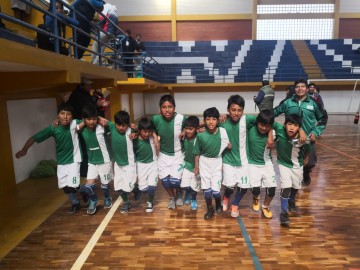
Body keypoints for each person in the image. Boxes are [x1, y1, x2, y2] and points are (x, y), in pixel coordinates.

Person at [15, 103, 82, 214]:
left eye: (68, 114)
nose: (65, 117)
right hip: (61, 162)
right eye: (62, 114)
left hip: (74, 160)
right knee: (65, 187)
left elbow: (89, 119)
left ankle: (86, 190)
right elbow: (34, 138)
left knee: (73, 188)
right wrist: (24, 150)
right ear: (57, 116)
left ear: (72, 116)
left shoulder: (75, 123)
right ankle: (75, 203)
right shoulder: (53, 128)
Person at [274, 79, 328, 186]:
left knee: (310, 162)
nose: (300, 89)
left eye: (302, 86)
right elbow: (274, 112)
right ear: (294, 89)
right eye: (297, 87)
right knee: (292, 162)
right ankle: (292, 184)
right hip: (291, 139)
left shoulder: (314, 103)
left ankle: (306, 172)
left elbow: (323, 118)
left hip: (308, 138)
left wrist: (315, 132)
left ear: (307, 89)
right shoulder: (287, 102)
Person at [220, 95, 255, 218]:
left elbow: (266, 120)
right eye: (233, 110)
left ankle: (235, 205)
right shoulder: (222, 122)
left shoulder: (247, 120)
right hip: (228, 161)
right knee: (229, 186)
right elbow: (206, 126)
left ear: (243, 111)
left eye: (239, 110)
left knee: (243, 187)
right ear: (228, 110)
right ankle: (226, 198)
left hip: (244, 161)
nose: (236, 113)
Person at [273, 114, 311, 225]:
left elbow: (309, 148)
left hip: (297, 165)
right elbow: (269, 120)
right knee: (286, 186)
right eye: (289, 124)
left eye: (295, 125)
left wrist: (306, 159)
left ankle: (292, 200)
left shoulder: (303, 138)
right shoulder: (280, 129)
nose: (291, 128)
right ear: (284, 125)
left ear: (299, 127)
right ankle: (283, 212)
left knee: (295, 186)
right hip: (283, 164)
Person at [67, 78, 109, 177]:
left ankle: (92, 171)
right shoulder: (78, 95)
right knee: (84, 149)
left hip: (87, 124)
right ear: (82, 85)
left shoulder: (85, 94)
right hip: (84, 126)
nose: (90, 87)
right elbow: (85, 109)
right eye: (88, 85)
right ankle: (86, 172)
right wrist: (98, 105)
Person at [151, 95, 186, 210]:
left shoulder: (181, 118)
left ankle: (179, 193)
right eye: (164, 107)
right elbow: (147, 128)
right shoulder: (155, 119)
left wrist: (185, 130)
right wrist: (154, 135)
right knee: (165, 181)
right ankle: (172, 197)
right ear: (160, 108)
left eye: (170, 107)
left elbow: (193, 126)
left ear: (174, 108)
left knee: (175, 182)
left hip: (178, 154)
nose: (167, 110)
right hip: (162, 154)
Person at [193, 107, 230, 220]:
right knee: (207, 192)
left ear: (217, 120)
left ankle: (218, 203)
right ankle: (210, 209)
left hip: (217, 162)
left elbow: (226, 143)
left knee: (216, 192)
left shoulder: (222, 131)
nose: (211, 122)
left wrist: (228, 145)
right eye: (208, 119)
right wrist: (196, 166)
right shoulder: (200, 135)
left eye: (214, 119)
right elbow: (196, 152)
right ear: (204, 121)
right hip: (204, 163)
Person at [78, 105, 113, 215]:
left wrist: (101, 118)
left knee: (104, 186)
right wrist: (84, 121)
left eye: (94, 119)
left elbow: (113, 125)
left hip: (105, 161)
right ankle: (93, 200)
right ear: (84, 119)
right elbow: (75, 127)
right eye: (88, 119)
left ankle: (107, 197)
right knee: (88, 186)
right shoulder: (82, 129)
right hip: (92, 162)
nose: (92, 122)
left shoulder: (102, 127)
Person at [101, 110, 136, 213]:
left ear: (127, 124)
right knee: (118, 188)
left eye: (124, 125)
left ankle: (135, 188)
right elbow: (96, 117)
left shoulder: (131, 131)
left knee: (127, 189)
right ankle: (126, 202)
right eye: (118, 125)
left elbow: (139, 130)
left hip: (129, 164)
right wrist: (101, 118)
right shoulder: (112, 127)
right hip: (118, 164)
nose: (121, 128)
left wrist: (136, 131)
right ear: (115, 123)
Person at [247, 109, 277, 219]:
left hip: (267, 163)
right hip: (252, 164)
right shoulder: (250, 128)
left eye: (267, 126)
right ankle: (256, 198)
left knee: (271, 190)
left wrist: (271, 132)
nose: (264, 128)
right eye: (261, 125)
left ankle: (265, 206)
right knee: (255, 189)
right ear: (257, 122)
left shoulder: (273, 133)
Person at [133, 117, 158, 213]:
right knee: (143, 189)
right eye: (144, 131)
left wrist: (155, 137)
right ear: (139, 131)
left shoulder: (152, 137)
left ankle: (150, 202)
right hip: (141, 165)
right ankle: (137, 189)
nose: (147, 134)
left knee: (152, 188)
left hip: (153, 164)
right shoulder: (135, 140)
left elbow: (158, 148)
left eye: (149, 131)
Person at [181, 116, 201, 211]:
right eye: (186, 129)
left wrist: (198, 168)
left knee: (194, 188)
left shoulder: (199, 138)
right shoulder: (183, 138)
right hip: (187, 165)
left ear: (196, 129)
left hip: (197, 168)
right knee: (184, 186)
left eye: (191, 129)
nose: (188, 131)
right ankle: (187, 193)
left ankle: (193, 199)